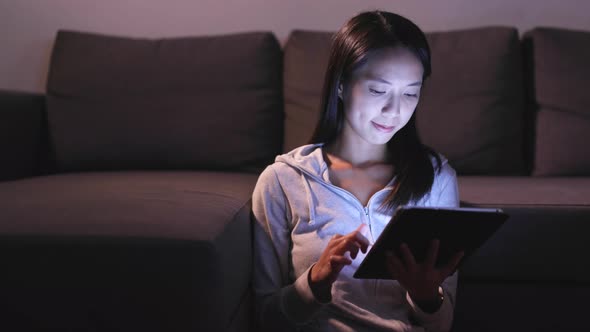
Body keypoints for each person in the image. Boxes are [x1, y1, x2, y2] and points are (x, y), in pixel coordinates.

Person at [252, 10, 464, 332]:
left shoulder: (436, 179)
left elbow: (442, 324)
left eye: (410, 93)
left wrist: (425, 297)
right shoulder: (283, 181)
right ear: (341, 85)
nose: (394, 111)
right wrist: (314, 283)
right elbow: (266, 318)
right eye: (378, 91)